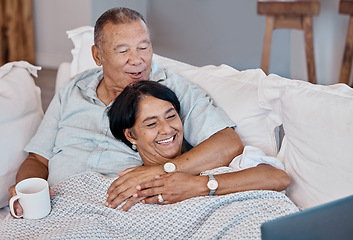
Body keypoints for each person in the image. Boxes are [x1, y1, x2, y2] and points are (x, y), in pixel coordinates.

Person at [8, 7, 245, 217]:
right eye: (123, 51)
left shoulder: (172, 89)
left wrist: (162, 170)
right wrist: (27, 189)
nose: (137, 60)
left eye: (144, 47)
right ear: (97, 55)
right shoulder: (73, 89)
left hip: (124, 207)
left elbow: (228, 143)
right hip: (59, 204)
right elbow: (38, 158)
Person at [107, 80, 290, 210]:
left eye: (171, 116)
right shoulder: (126, 185)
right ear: (130, 135)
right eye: (151, 124)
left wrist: (198, 185)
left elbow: (278, 178)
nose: (167, 129)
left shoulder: (215, 162)